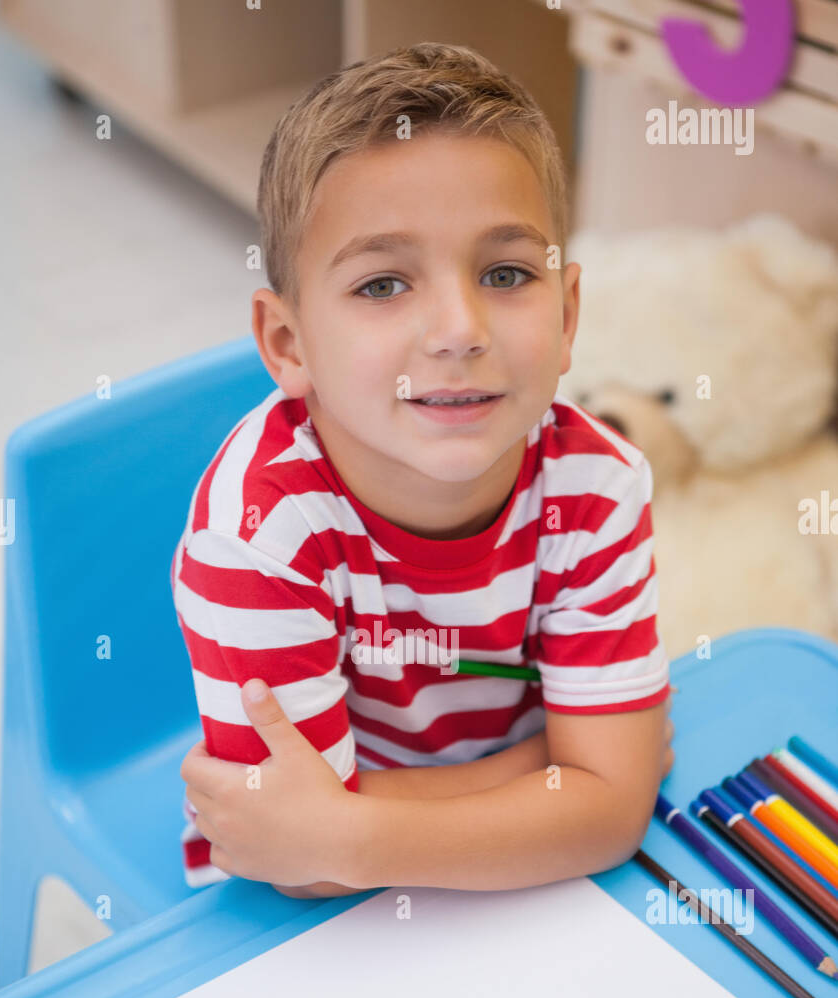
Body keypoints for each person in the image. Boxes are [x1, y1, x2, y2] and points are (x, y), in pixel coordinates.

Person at [171, 42, 675, 897]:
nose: (458, 329)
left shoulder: (597, 487)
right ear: (288, 345)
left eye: (506, 273)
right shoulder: (256, 539)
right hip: (300, 921)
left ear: (567, 313)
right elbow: (291, 859)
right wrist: (554, 760)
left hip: (519, 888)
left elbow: (616, 817)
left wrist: (350, 831)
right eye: (381, 285)